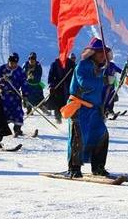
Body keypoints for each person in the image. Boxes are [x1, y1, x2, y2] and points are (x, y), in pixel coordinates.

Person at [63, 37, 112, 178]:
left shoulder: (101, 69)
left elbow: (103, 90)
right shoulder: (83, 65)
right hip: (80, 108)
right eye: (100, 52)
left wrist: (109, 84)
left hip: (94, 110)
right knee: (78, 137)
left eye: (104, 53)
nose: (103, 55)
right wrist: (102, 80)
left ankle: (98, 167)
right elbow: (84, 83)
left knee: (101, 134)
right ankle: (74, 168)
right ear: (92, 53)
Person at [0, 53, 30, 137]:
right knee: (4, 112)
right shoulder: (2, 69)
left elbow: (24, 83)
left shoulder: (20, 71)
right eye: (11, 63)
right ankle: (2, 129)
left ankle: (17, 129)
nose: (12, 65)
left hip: (15, 95)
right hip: (4, 95)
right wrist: (2, 78)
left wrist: (25, 95)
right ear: (8, 61)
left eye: (14, 63)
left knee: (18, 112)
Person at [47, 53, 76, 123]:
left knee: (69, 105)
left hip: (69, 88)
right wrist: (51, 86)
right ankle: (58, 121)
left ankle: (71, 121)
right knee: (58, 104)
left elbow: (76, 75)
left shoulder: (71, 64)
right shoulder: (55, 64)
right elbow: (50, 77)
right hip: (57, 88)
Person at [101, 49, 122, 117]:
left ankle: (110, 110)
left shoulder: (112, 65)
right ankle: (103, 111)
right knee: (104, 98)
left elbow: (119, 70)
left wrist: (125, 73)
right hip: (104, 85)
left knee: (112, 97)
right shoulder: (102, 65)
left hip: (111, 84)